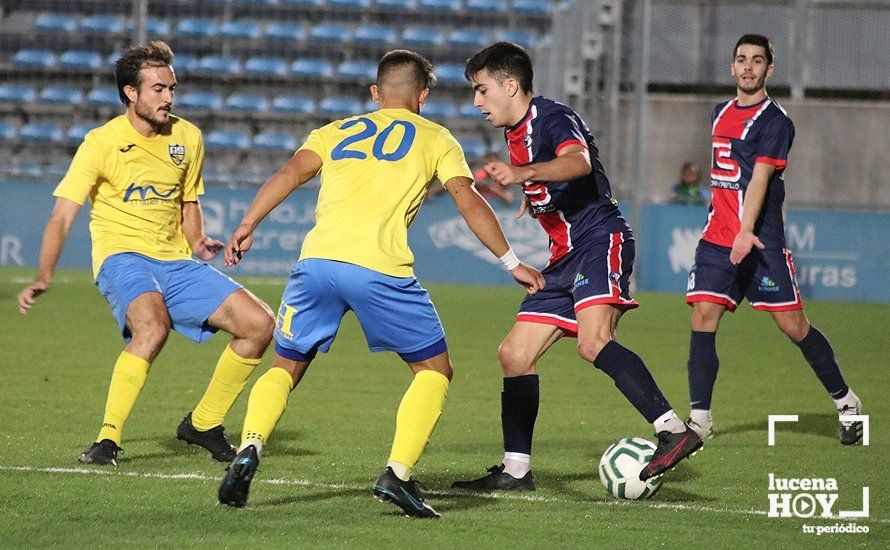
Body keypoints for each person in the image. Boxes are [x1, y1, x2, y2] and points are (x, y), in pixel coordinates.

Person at [216, 49, 544, 518]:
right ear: (423, 97)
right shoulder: (436, 137)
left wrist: (248, 222)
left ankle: (250, 446)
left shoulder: (335, 131)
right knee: (434, 369)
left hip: (317, 263)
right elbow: (468, 201)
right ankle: (398, 473)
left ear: (375, 93)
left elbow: (289, 174)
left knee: (287, 363)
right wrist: (511, 260)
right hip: (379, 268)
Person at [450, 42, 702, 492]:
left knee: (594, 343)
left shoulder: (551, 117)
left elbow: (578, 162)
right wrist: (532, 197)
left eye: (482, 90)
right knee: (514, 355)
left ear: (511, 85)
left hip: (600, 239)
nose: (477, 102)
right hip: (564, 257)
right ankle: (516, 472)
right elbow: (554, 179)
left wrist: (524, 175)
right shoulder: (513, 132)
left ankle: (673, 430)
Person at [16, 41, 275, 466]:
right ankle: (108, 439)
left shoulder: (188, 137)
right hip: (122, 256)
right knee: (152, 327)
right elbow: (63, 217)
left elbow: (187, 202)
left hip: (175, 260)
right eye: (157, 89)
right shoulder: (101, 143)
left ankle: (204, 423)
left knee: (260, 324)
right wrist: (44, 275)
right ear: (130, 93)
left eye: (171, 88)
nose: (168, 98)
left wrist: (197, 240)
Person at [685, 34, 862, 444]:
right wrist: (730, 231)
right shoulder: (718, 113)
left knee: (794, 325)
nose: (748, 67)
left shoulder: (776, 122)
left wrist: (746, 232)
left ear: (769, 69)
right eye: (742, 59)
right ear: (732, 67)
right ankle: (699, 422)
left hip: (759, 240)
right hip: (717, 239)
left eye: (757, 60)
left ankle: (846, 400)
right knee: (702, 316)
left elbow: (761, 177)